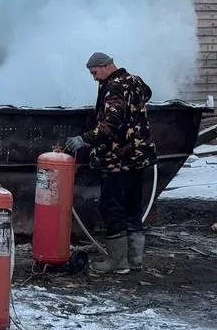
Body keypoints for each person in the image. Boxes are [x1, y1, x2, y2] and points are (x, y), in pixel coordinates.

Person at [64, 52, 156, 274]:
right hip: (139, 157)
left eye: (95, 72)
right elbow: (148, 94)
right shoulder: (134, 80)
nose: (94, 78)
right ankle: (135, 260)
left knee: (111, 206)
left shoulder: (113, 87)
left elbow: (112, 122)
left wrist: (84, 139)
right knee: (133, 206)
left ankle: (118, 261)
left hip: (118, 159)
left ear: (105, 66)